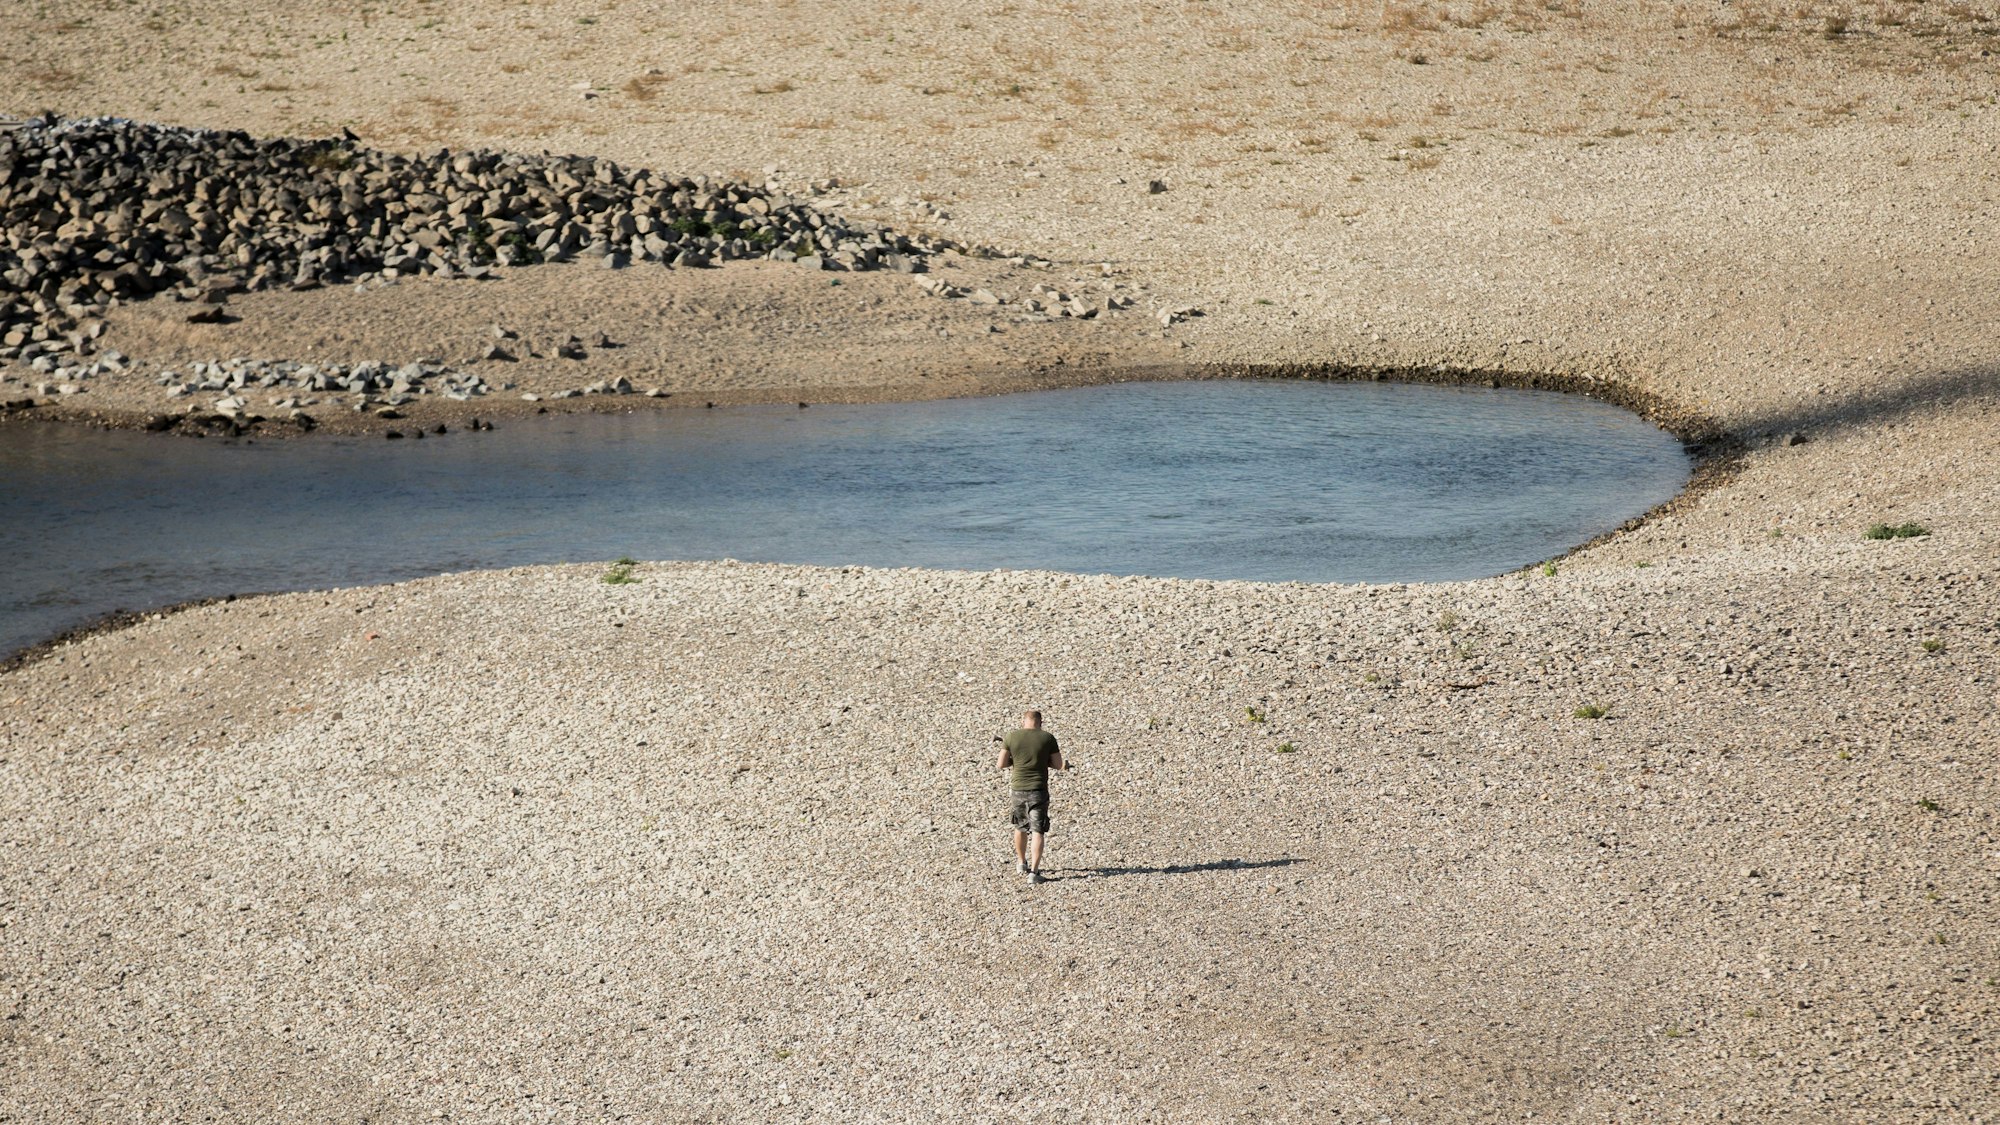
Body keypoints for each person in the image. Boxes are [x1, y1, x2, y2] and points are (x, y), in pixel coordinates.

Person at [996, 709, 1065, 884]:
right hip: (1038, 790)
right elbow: (1059, 765)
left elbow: (1001, 764)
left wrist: (1016, 760)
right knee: (1037, 830)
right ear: (1040, 722)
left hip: (1018, 789)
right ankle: (1034, 872)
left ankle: (1021, 863)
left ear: (1023, 721)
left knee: (1019, 827)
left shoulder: (1011, 737)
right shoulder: (1047, 738)